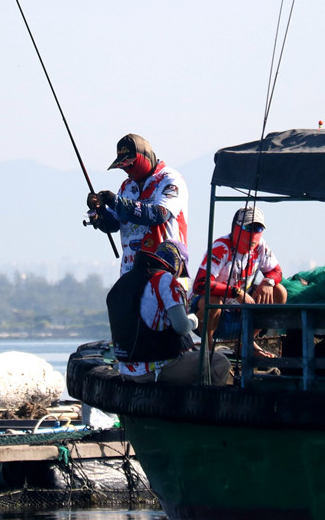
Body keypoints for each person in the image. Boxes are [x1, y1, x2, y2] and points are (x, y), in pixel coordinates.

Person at [106, 240, 231, 385]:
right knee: (220, 363)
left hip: (126, 370)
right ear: (179, 264)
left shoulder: (124, 280)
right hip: (156, 370)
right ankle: (203, 404)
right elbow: (182, 328)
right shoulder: (164, 279)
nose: (178, 276)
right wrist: (193, 320)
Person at [87, 134, 188, 277]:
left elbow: (159, 214)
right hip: (130, 273)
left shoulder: (170, 179)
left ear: (145, 157)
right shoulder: (126, 186)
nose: (126, 169)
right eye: (122, 166)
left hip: (165, 274)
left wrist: (115, 201)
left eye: (130, 164)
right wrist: (99, 212)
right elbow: (114, 224)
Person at [191, 206, 285, 357]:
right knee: (213, 299)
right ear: (236, 228)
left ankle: (246, 341)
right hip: (211, 315)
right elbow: (200, 283)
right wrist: (235, 292)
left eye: (258, 228)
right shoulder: (221, 247)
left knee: (279, 291)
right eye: (248, 227)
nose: (253, 234)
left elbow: (277, 271)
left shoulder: (261, 247)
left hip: (241, 311)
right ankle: (208, 351)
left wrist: (268, 281)